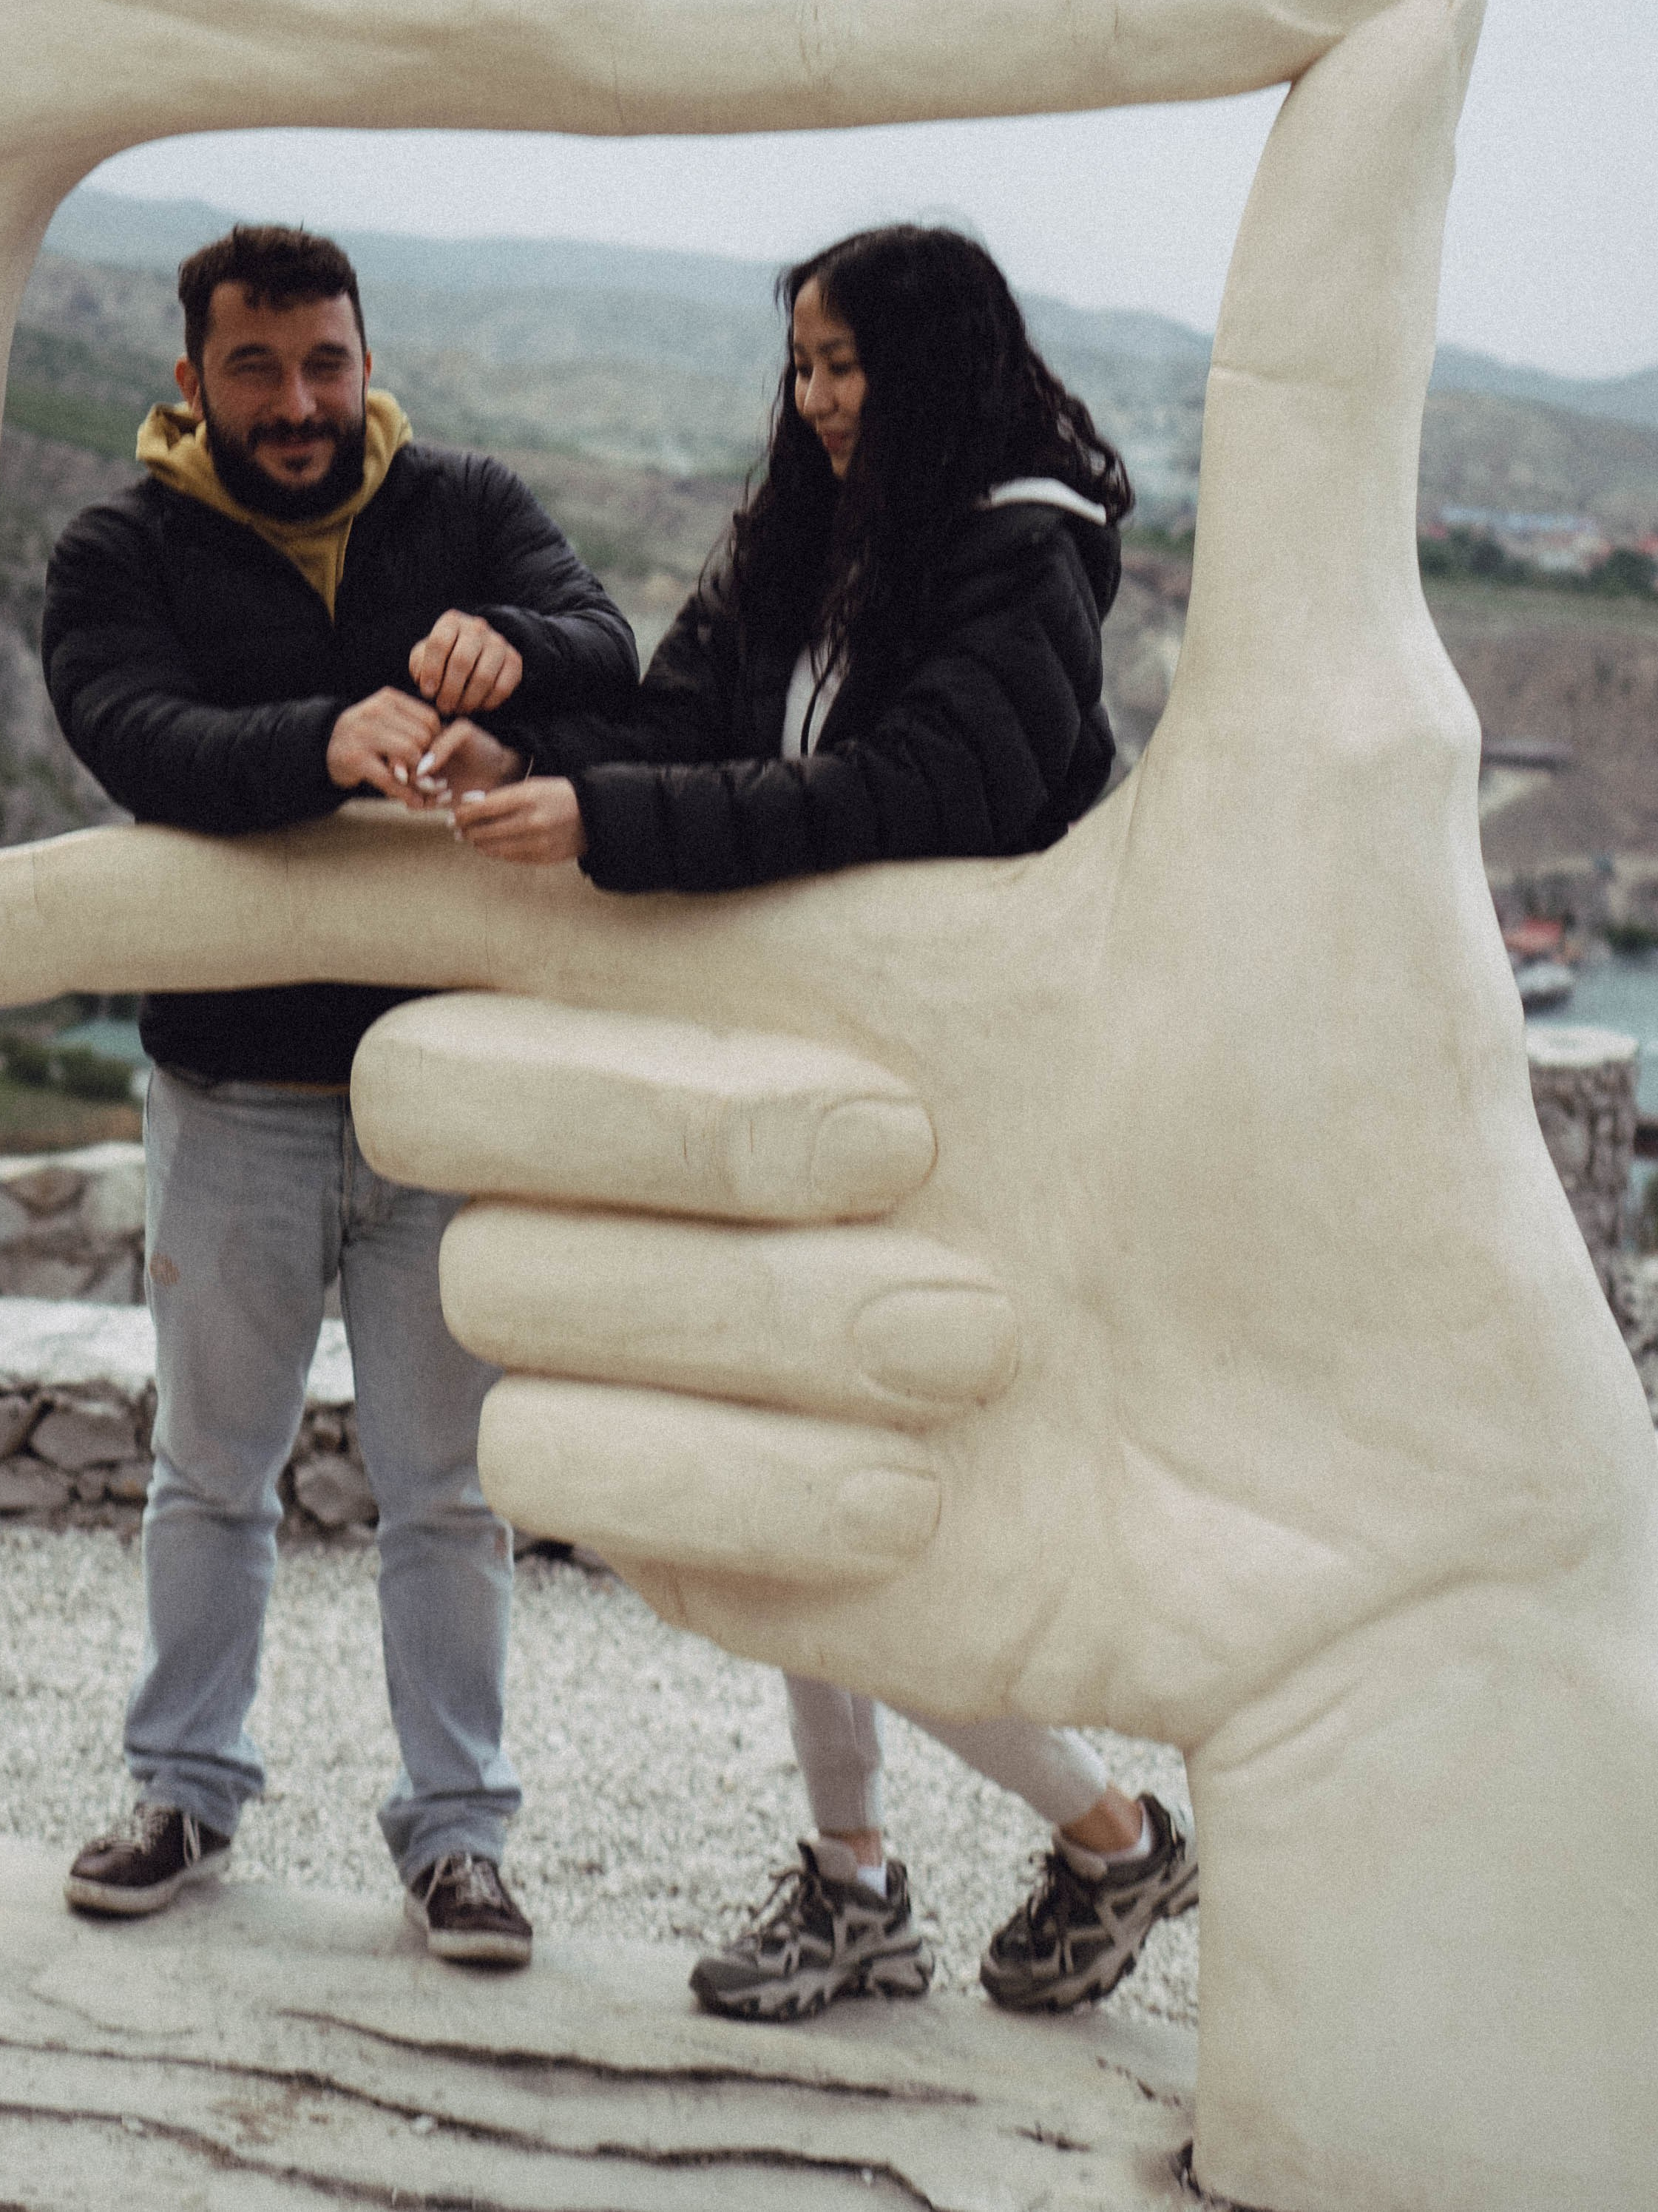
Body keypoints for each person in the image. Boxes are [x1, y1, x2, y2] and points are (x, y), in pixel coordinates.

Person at [411, 223, 1198, 2019]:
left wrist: (612, 825)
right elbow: (689, 709)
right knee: (776, 1497)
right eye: (806, 365)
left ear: (936, 365)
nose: (822, 398)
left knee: (868, 1518)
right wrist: (529, 753)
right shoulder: (819, 531)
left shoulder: (1023, 560)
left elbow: (925, 791)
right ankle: (864, 1874)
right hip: (795, 1081)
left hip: (954, 1117)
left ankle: (1105, 1828)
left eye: (849, 364)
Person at [40, 223, 637, 1964]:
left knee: (447, 1488)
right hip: (230, 1091)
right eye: (258, 368)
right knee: (209, 1472)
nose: (299, 403)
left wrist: (509, 664)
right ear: (192, 378)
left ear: (366, 357)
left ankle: (458, 1837)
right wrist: (325, 736)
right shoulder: (116, 547)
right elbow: (133, 732)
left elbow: (608, 642)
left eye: (326, 363)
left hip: (443, 1093)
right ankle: (180, 1790)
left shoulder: (467, 502)